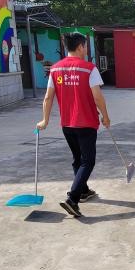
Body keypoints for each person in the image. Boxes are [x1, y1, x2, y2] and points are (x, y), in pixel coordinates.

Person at [36, 32, 110, 217]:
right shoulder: (88, 68)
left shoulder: (55, 69)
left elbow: (48, 97)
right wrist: (106, 116)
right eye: (85, 46)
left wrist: (45, 120)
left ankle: (83, 191)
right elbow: (97, 96)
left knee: (78, 159)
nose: (86, 49)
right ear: (79, 47)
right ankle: (73, 198)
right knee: (88, 161)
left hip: (67, 124)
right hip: (86, 122)